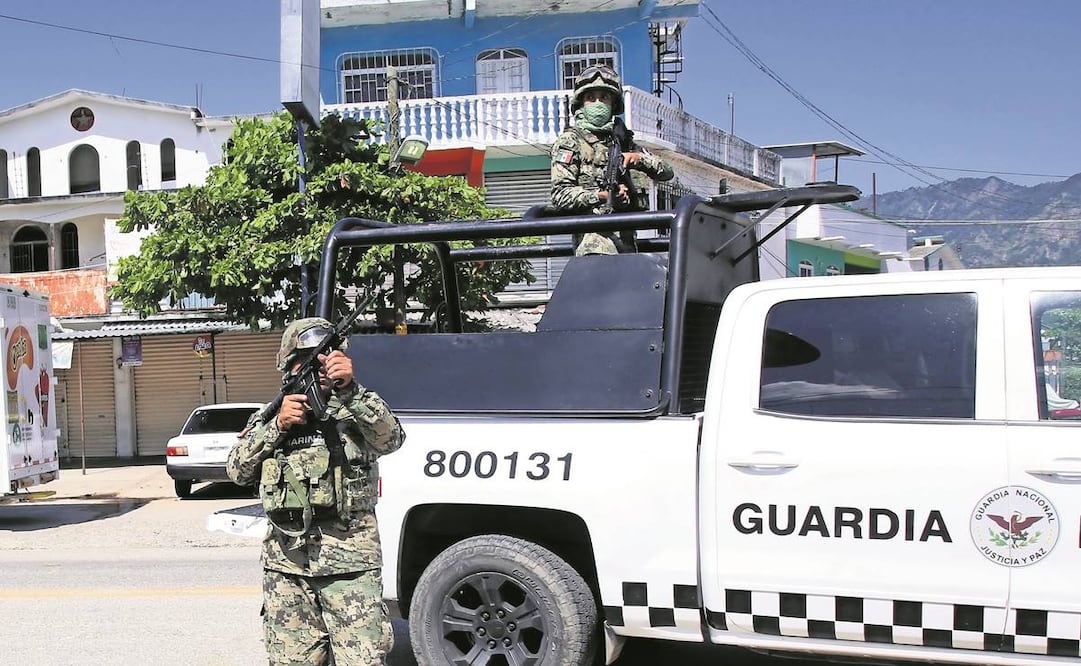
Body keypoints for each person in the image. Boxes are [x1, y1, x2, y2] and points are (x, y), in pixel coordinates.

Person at [227, 317, 405, 665]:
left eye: (328, 357)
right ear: (289, 366)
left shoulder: (356, 409)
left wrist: (351, 390)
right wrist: (277, 427)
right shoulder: (269, 418)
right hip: (287, 568)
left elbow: (392, 439)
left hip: (350, 567)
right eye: (309, 360)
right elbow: (236, 470)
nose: (321, 367)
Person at [550, 64, 675, 256]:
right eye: (591, 98)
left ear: (614, 104)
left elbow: (667, 172)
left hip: (626, 241)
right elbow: (561, 194)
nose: (598, 103)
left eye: (604, 97)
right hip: (594, 242)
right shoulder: (571, 141)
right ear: (581, 103)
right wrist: (602, 196)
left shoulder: (622, 140)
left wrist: (637, 159)